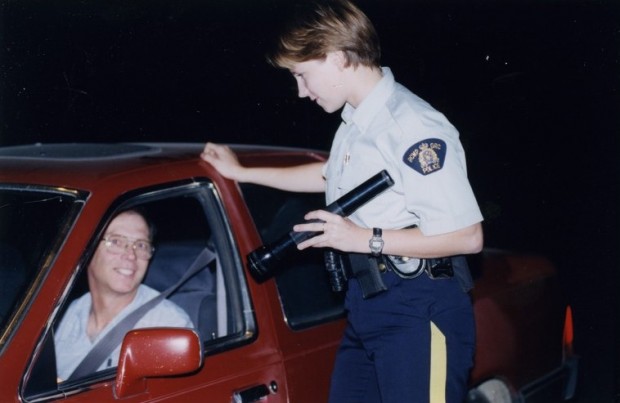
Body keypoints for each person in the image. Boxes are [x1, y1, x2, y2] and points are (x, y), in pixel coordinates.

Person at [201, 0, 483, 401]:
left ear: (335, 58)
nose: (301, 91)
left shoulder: (412, 125)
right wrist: (243, 173)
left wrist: (363, 238)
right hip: (368, 306)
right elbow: (327, 173)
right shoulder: (359, 119)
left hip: (418, 307)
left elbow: (467, 235)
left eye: (302, 75)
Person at [54, 209, 193, 381]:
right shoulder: (65, 315)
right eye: (116, 242)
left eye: (141, 245)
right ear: (87, 250)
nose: (130, 255)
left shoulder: (168, 325)